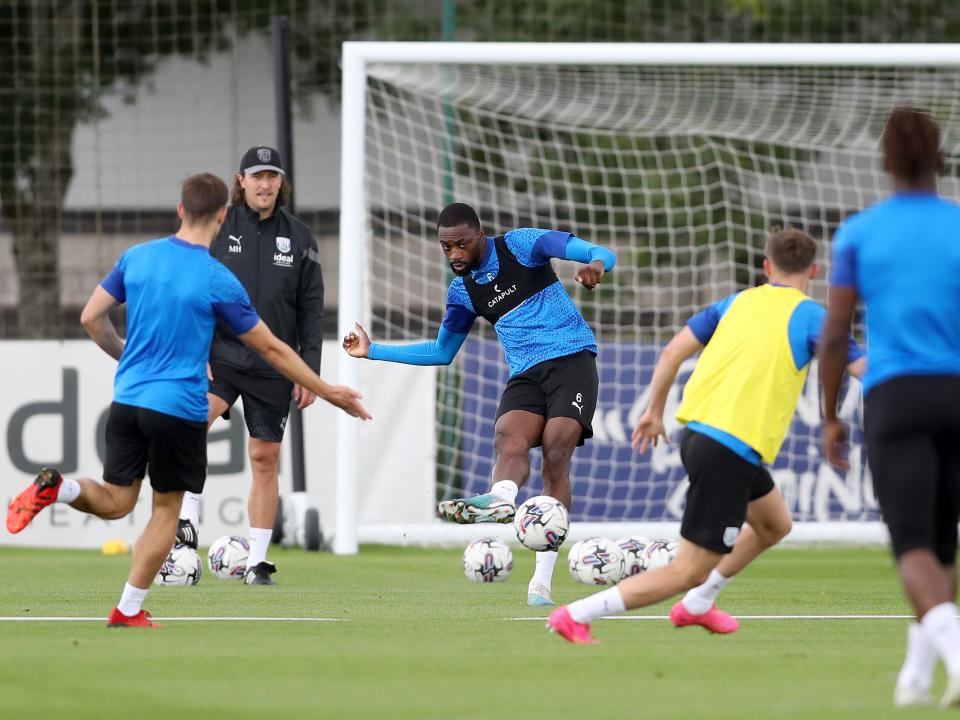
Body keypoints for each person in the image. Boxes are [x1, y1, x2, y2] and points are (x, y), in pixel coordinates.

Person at [5, 173, 370, 628]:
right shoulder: (219, 279)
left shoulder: (135, 258)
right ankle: (128, 610)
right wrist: (328, 390)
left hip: (127, 401)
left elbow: (90, 317)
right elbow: (272, 348)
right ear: (222, 216)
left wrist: (126, 356)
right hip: (176, 408)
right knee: (165, 512)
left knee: (117, 501)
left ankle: (60, 487)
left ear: (180, 210)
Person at [547, 227, 864, 643]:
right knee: (688, 569)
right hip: (728, 449)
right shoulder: (811, 316)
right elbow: (864, 371)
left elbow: (672, 352)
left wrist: (654, 411)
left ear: (767, 268)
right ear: (815, 270)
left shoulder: (734, 303)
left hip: (700, 436)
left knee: (774, 524)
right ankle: (577, 614)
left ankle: (698, 605)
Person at [342, 202, 616, 606]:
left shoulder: (521, 245)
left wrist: (596, 265)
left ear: (480, 235)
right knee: (508, 437)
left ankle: (541, 579)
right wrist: (373, 350)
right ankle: (503, 499)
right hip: (525, 372)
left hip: (572, 359)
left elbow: (601, 253)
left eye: (461, 245)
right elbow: (440, 351)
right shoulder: (463, 291)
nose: (454, 255)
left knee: (557, 449)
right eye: (446, 247)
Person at [820, 106, 960, 709]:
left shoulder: (859, 231)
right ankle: (916, 676)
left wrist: (829, 414)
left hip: (898, 396)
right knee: (943, 542)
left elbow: (834, 334)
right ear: (941, 159)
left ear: (883, 162)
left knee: (913, 546)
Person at [175, 146, 325, 586]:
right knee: (190, 423)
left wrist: (308, 371)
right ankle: (187, 521)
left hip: (274, 364)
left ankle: (257, 561)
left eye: (272, 177)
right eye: (256, 176)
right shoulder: (219, 226)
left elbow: (311, 311)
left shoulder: (300, 237)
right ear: (240, 181)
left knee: (265, 457)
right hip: (221, 355)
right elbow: (193, 290)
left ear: (281, 182)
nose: (265, 184)